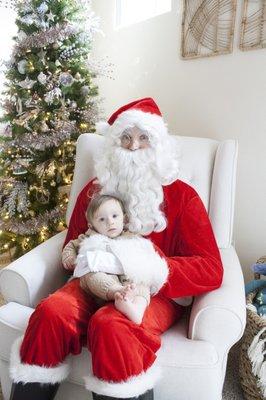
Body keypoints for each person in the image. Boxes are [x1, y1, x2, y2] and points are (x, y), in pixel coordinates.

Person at [9, 97, 223, 400]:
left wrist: (151, 267)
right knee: (51, 312)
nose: (133, 146)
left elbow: (211, 267)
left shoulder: (183, 197)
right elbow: (70, 246)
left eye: (143, 137)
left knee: (112, 325)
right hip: (92, 281)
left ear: (158, 145)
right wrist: (87, 258)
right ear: (113, 145)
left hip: (150, 292)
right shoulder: (95, 191)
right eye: (125, 138)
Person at [63, 194, 169, 324]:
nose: (110, 222)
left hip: (127, 278)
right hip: (104, 281)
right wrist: (69, 258)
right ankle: (117, 292)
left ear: (124, 219)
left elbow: (143, 254)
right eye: (102, 219)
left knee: (142, 280)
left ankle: (137, 310)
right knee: (89, 274)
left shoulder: (131, 236)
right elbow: (70, 246)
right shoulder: (87, 238)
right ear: (91, 226)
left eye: (114, 216)